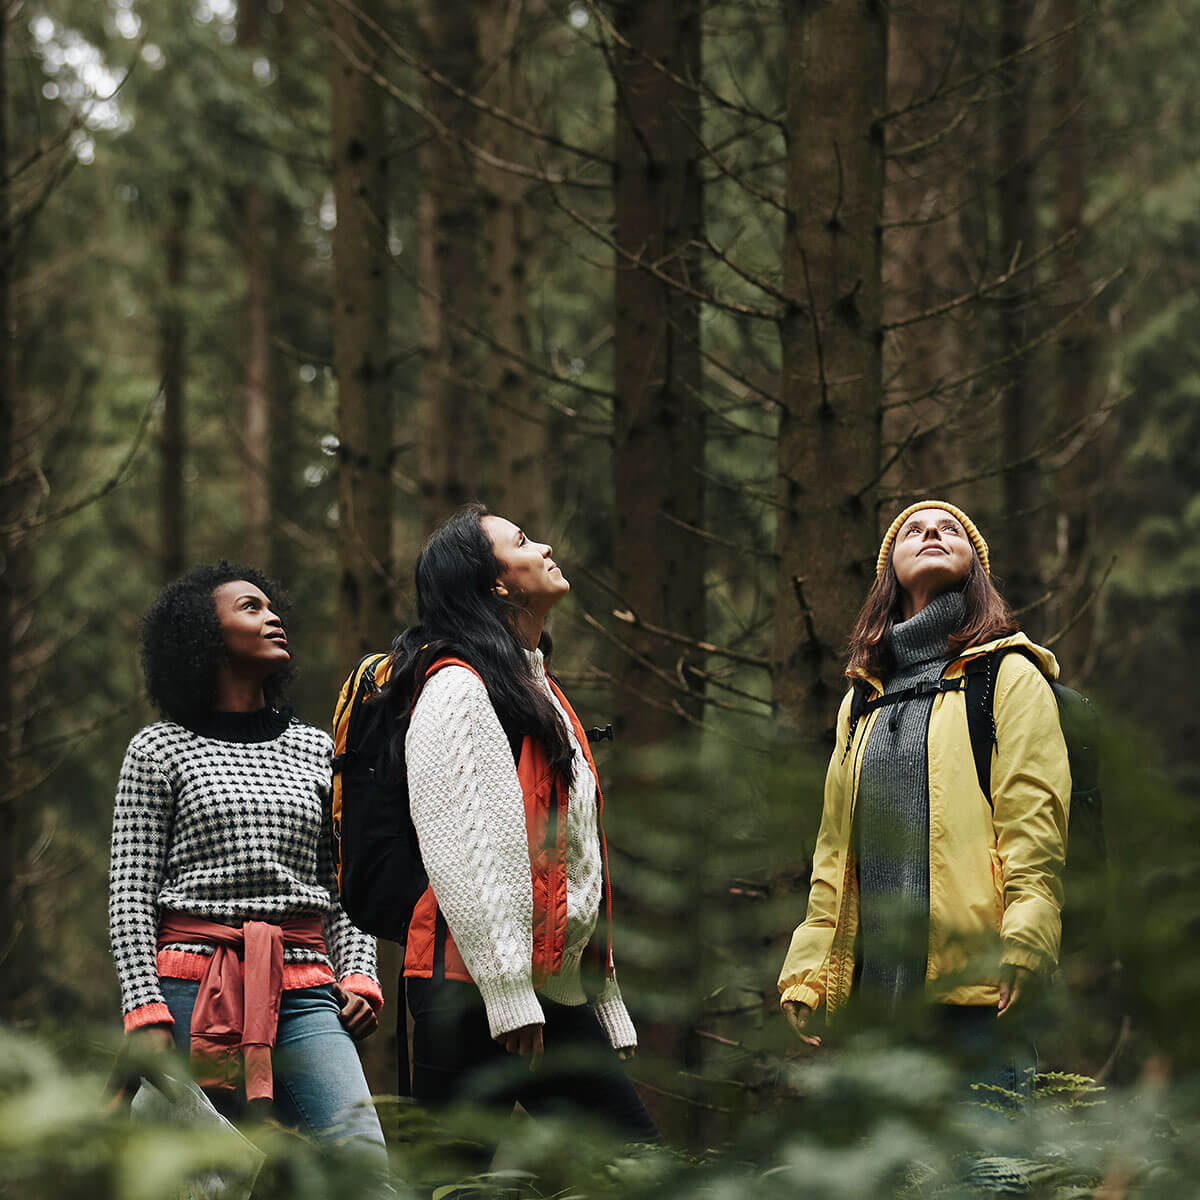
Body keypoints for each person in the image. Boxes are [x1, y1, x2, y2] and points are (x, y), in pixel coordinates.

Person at [376, 503, 657, 1142]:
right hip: (470, 991)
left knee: (630, 1167)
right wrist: (506, 994)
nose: (546, 545)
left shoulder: (536, 687)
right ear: (496, 583)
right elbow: (471, 854)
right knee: (455, 1185)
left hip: (544, 987)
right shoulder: (458, 689)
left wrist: (600, 994)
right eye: (523, 540)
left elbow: (573, 858)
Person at [777, 500, 1070, 1099]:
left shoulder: (1008, 675)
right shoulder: (860, 700)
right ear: (889, 571)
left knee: (982, 1185)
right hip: (872, 1004)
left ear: (975, 567)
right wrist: (809, 968)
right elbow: (834, 852)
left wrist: (1028, 937)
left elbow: (1035, 824)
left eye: (949, 530)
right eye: (913, 529)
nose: (931, 532)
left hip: (977, 994)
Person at [109, 563, 388, 1165]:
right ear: (204, 636)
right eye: (250, 607)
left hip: (307, 988)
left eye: (271, 605)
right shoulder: (158, 750)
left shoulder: (318, 749)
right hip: (189, 989)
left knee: (361, 1160)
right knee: (210, 1174)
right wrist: (143, 1005)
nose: (273, 617)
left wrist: (360, 969)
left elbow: (343, 883)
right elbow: (131, 894)